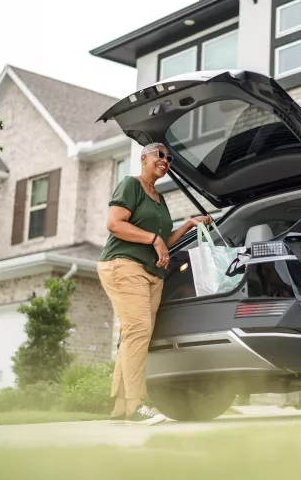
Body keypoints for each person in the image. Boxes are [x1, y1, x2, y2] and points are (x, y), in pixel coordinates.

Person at [97, 143, 212, 425]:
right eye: (159, 155)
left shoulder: (159, 199)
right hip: (124, 264)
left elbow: (165, 239)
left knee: (135, 336)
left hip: (152, 274)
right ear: (144, 158)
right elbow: (115, 224)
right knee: (138, 332)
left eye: (169, 158)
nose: (165, 160)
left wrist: (187, 226)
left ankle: (120, 409)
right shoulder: (131, 186)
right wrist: (153, 239)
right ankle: (137, 406)